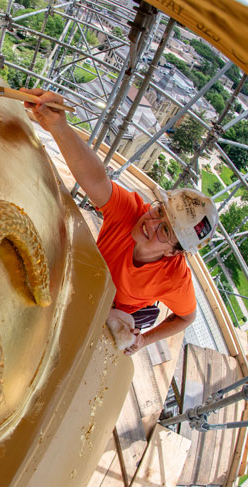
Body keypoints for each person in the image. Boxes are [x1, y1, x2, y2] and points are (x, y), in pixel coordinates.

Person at [20, 88, 218, 355]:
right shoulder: (132, 213)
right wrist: (60, 127)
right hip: (92, 278)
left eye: (165, 230)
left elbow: (186, 318)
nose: (150, 222)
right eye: (160, 211)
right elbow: (96, 179)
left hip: (115, 311)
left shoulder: (175, 279)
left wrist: (144, 340)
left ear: (173, 252)